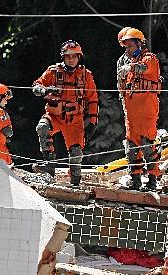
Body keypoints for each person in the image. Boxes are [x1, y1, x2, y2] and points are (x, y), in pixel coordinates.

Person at [32, 40, 99, 186]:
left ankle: (75, 181)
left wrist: (93, 121)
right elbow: (36, 86)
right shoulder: (53, 71)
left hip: (74, 120)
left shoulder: (86, 76)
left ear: (79, 57)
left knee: (76, 154)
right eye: (68, 56)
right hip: (54, 115)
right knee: (42, 127)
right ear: (63, 57)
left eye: (74, 56)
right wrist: (44, 90)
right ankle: (48, 167)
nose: (71, 59)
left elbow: (93, 99)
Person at [118, 27, 162, 190]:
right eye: (126, 48)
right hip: (131, 115)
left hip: (146, 111)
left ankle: (152, 180)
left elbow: (143, 68)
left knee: (147, 145)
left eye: (130, 47)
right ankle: (135, 180)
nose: (128, 51)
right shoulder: (128, 66)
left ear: (139, 44)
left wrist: (129, 68)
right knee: (131, 148)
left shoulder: (150, 59)